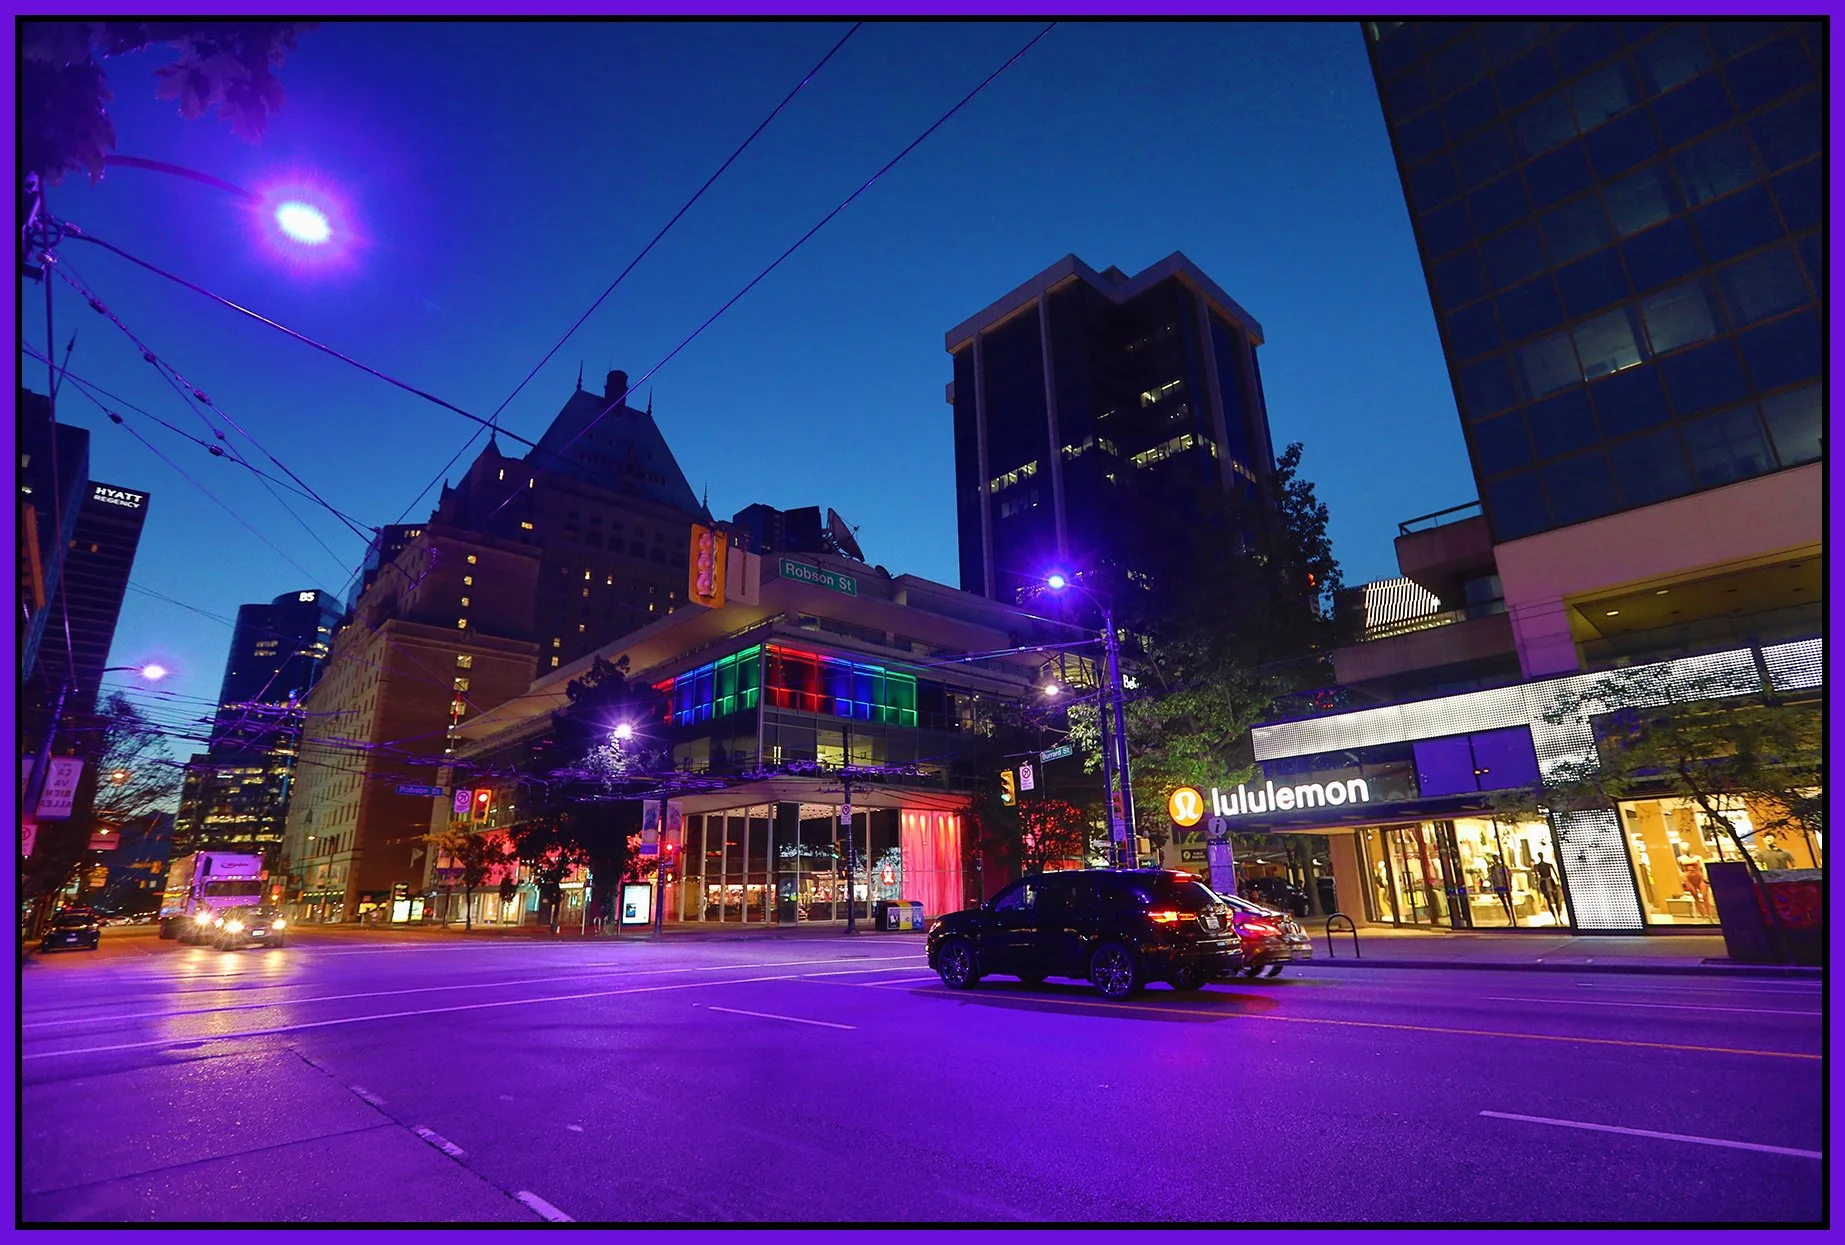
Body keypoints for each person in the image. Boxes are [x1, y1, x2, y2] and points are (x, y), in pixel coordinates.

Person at [1487, 856, 1514, 923]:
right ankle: (1510, 918)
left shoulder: (1504, 866)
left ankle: (1513, 917)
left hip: (1505, 885)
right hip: (1498, 886)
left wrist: (1510, 884)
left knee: (1509, 902)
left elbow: (1509, 875)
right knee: (1504, 903)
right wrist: (1494, 888)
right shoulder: (1492, 868)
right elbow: (1492, 878)